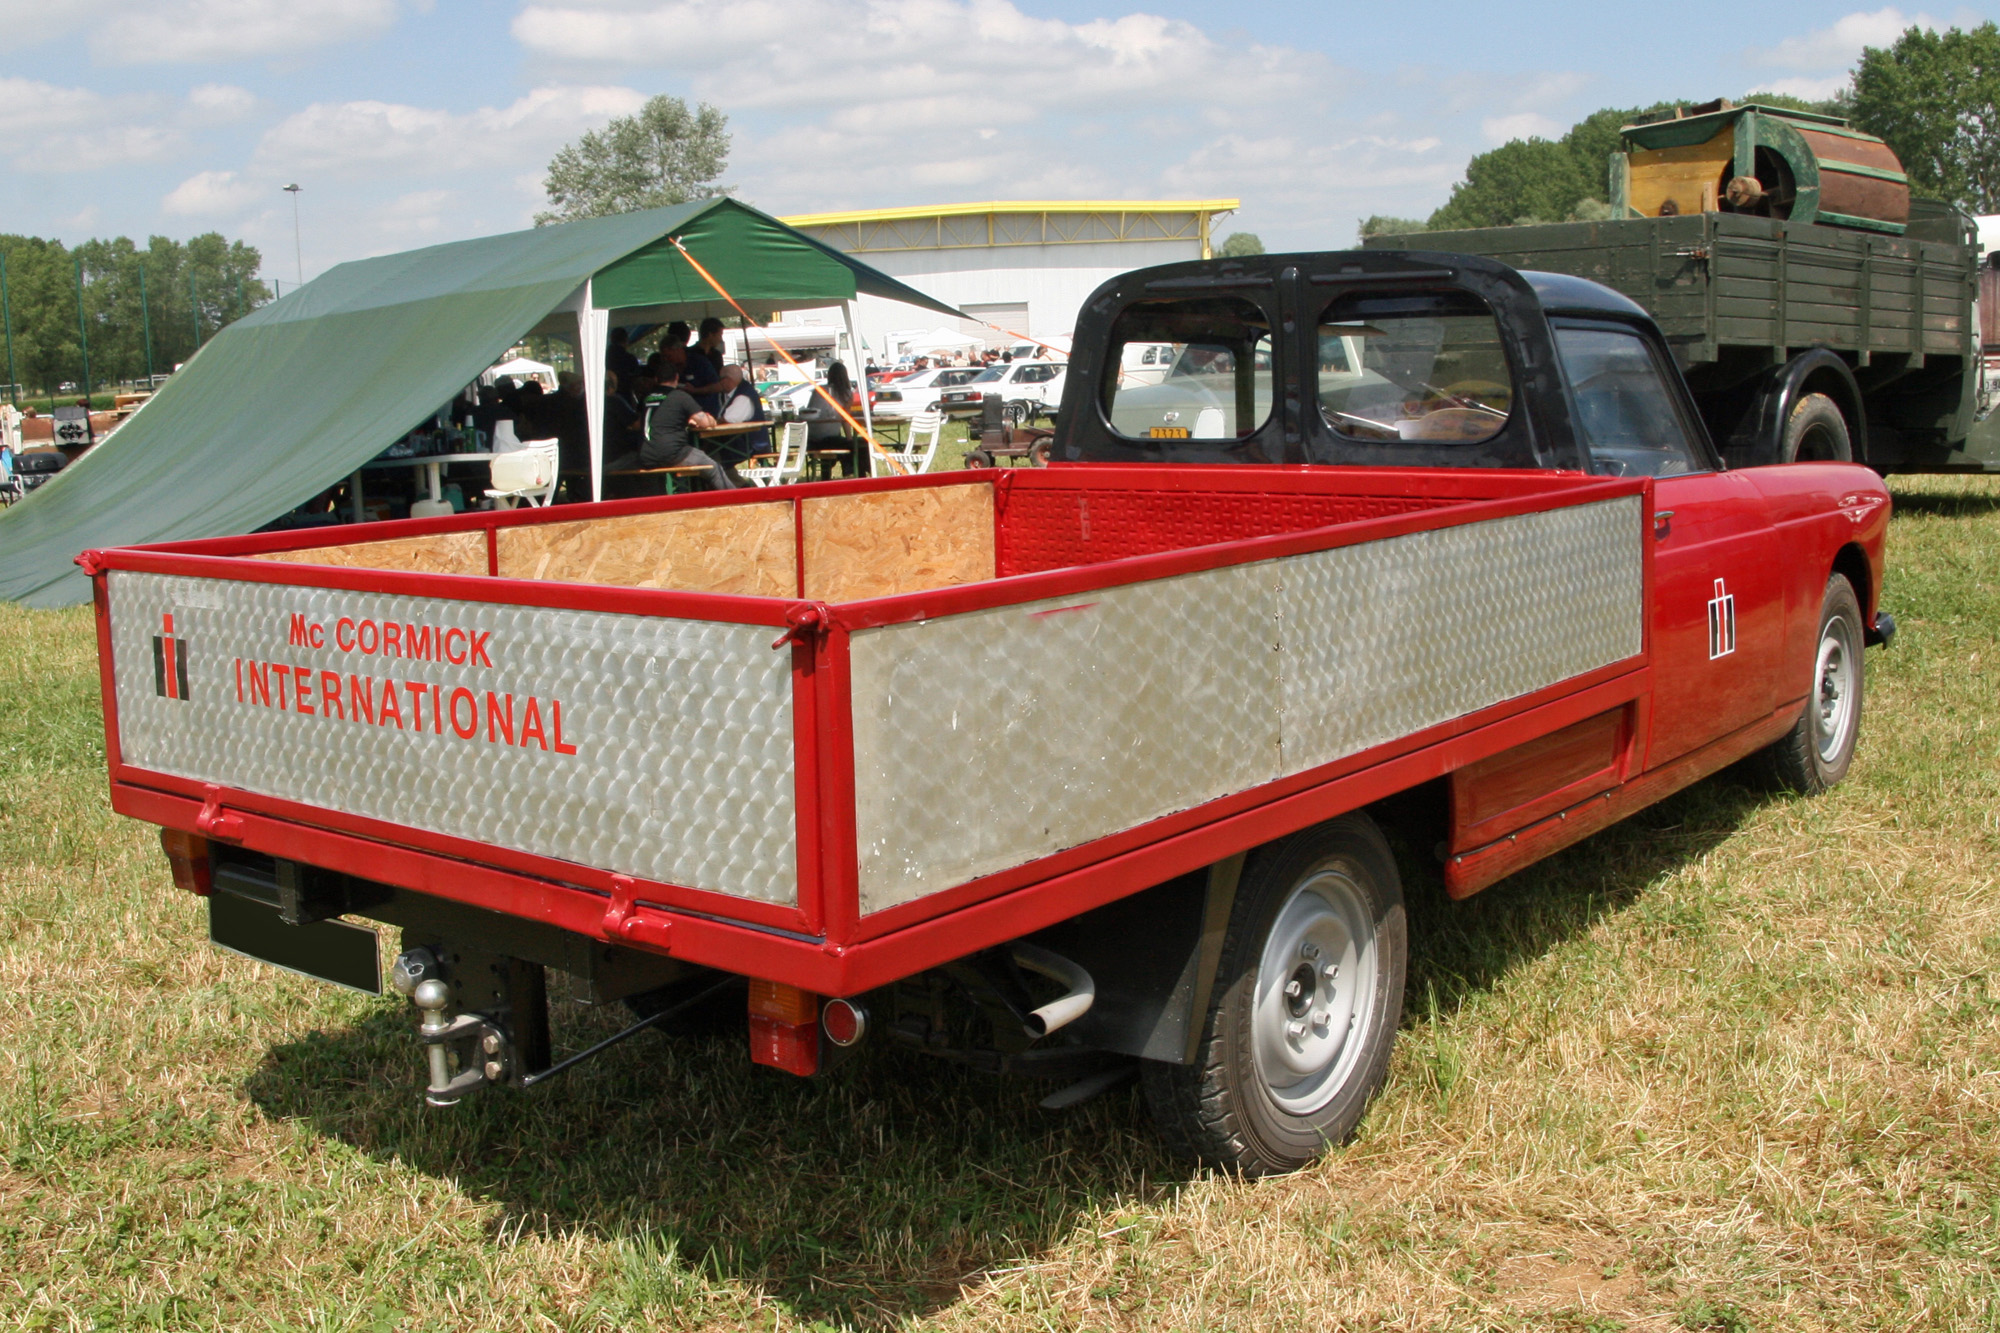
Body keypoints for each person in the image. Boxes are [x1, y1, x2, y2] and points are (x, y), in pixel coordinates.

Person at [603, 362, 739, 491]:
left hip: (646, 455)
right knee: (714, 468)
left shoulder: (647, 397)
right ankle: (736, 500)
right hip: (673, 454)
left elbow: (648, 421)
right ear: (676, 377)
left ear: (656, 379)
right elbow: (704, 422)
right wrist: (711, 420)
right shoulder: (680, 396)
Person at [804, 360, 868, 478]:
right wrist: (850, 439)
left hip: (810, 439)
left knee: (845, 444)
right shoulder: (847, 394)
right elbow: (845, 419)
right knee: (860, 445)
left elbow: (809, 411)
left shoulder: (819, 390)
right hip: (827, 440)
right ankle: (859, 474)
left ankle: (834, 474)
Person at [715, 364, 770, 460]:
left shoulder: (743, 396)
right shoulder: (739, 391)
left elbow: (728, 419)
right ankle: (729, 475)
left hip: (749, 445)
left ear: (727, 380)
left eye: (720, 379)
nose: (719, 382)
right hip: (743, 442)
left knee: (712, 455)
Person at [682, 317, 731, 414]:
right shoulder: (690, 354)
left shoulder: (716, 355)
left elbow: (719, 382)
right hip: (693, 406)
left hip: (713, 406)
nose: (721, 339)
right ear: (710, 335)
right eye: (720, 335)